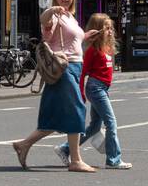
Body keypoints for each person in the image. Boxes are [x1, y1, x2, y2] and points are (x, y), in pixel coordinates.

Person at [11, 0, 102, 173]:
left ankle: (24, 144)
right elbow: (44, 20)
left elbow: (72, 42)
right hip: (63, 69)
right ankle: (76, 160)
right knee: (78, 109)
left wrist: (86, 36)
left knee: (53, 116)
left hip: (75, 67)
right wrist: (52, 10)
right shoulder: (55, 15)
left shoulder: (71, 17)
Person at [56, 13, 130, 170]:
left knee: (95, 127)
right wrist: (82, 93)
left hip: (102, 88)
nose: (110, 32)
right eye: (106, 28)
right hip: (95, 88)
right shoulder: (92, 51)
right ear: (97, 30)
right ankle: (113, 160)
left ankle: (65, 148)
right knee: (111, 122)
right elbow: (83, 73)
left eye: (111, 28)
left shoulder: (108, 48)